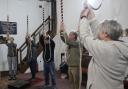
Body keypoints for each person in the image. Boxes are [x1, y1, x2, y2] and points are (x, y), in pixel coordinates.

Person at [79, 7, 128, 89]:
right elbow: (98, 33)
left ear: (105, 34)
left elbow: (84, 36)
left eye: (100, 30)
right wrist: (91, 15)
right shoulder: (121, 47)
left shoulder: (105, 49)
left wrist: (83, 17)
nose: (98, 32)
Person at [60, 24, 80, 89]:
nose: (69, 36)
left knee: (76, 83)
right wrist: (61, 31)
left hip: (76, 67)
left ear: (74, 36)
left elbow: (67, 40)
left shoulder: (77, 43)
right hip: (70, 66)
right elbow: (64, 40)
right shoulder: (70, 43)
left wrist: (64, 31)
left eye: (70, 34)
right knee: (71, 82)